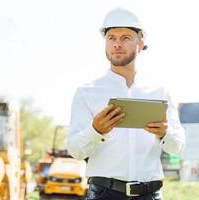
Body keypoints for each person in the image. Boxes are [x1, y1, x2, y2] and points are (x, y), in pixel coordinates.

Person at [67, 7, 185, 200]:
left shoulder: (160, 92)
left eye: (125, 38)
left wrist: (165, 132)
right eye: (111, 38)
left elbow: (177, 147)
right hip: (104, 194)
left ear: (141, 43)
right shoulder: (86, 92)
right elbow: (76, 151)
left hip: (150, 194)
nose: (117, 44)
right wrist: (95, 130)